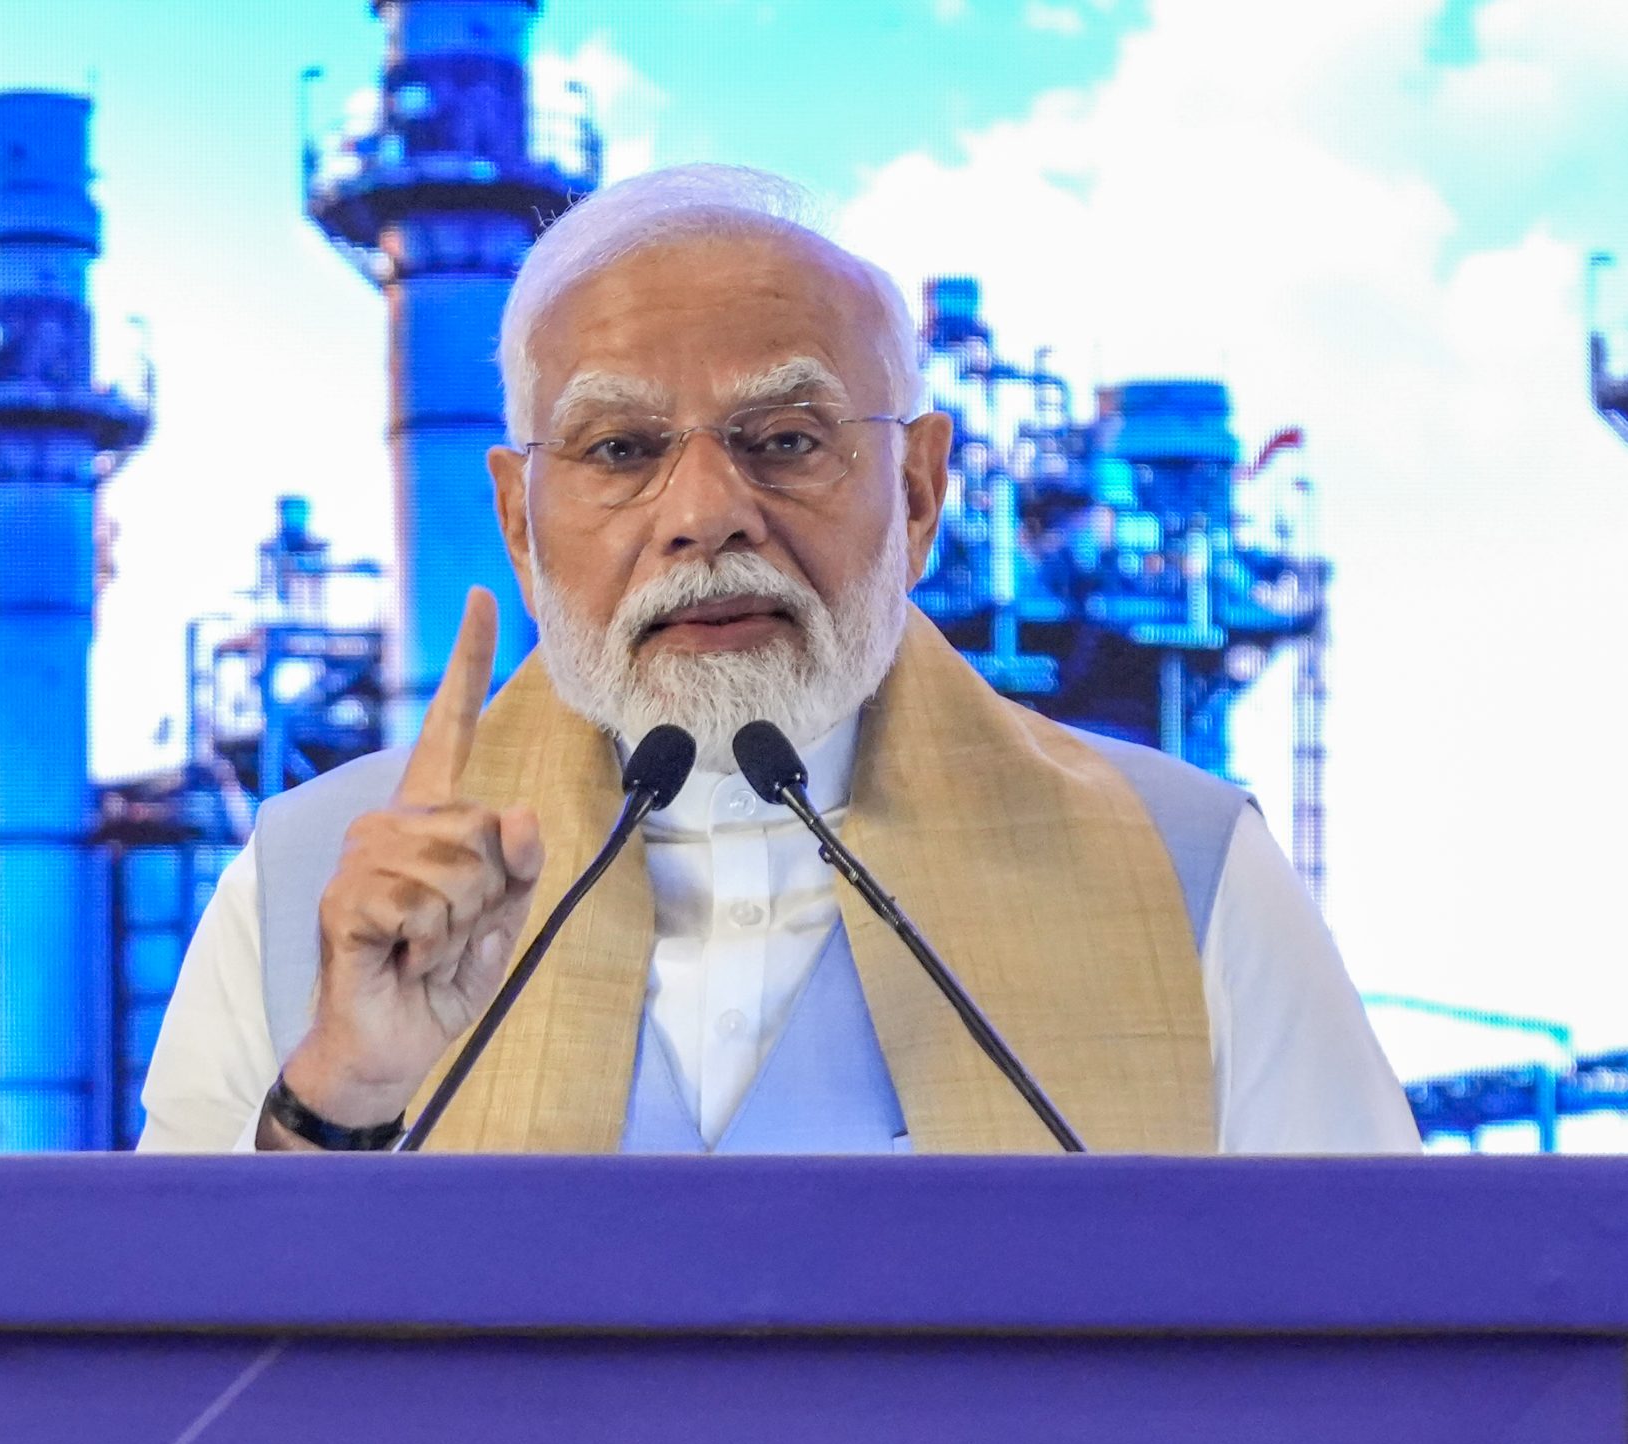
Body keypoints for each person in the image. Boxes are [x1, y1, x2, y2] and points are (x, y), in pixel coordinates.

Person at [138, 165, 1417, 1160]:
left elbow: (1384, 1354)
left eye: (788, 438)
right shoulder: (307, 888)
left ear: (918, 491)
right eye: (621, 450)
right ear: (520, 522)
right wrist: (342, 1096)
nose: (705, 513)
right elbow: (166, 1384)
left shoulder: (1189, 875)